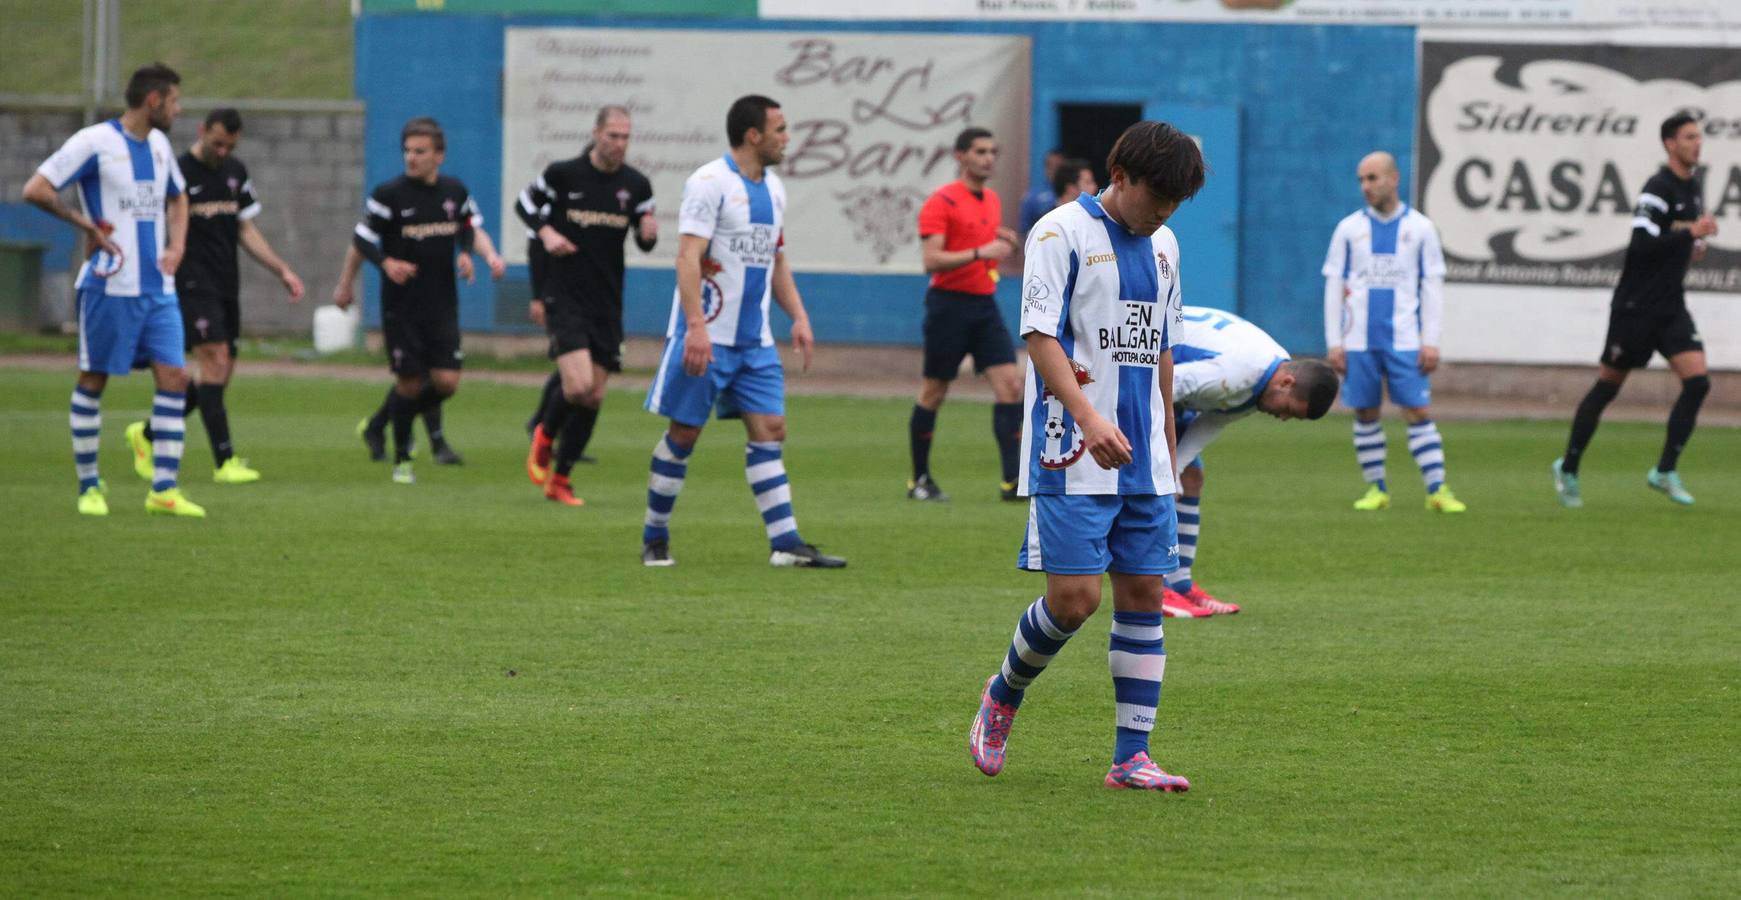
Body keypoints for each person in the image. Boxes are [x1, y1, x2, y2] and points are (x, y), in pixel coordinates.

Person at [968, 121, 1203, 791]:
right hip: (1070, 447)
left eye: (1175, 204)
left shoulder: (1164, 244)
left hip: (1143, 456)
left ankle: (1132, 757)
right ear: (1119, 175)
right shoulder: (1058, 231)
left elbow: (1160, 345)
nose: (1162, 213)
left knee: (1143, 594)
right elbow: (1039, 337)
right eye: (1156, 197)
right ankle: (1004, 693)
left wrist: (1165, 438)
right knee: (1073, 602)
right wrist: (1087, 415)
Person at [640, 94, 844, 569]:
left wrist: (798, 315)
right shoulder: (708, 183)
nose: (787, 138)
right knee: (685, 433)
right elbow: (687, 257)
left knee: (771, 429)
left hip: (755, 341)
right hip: (708, 336)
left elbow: (775, 258)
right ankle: (655, 535)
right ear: (754, 135)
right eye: (780, 129)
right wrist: (694, 328)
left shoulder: (773, 188)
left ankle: (786, 543)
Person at [23, 63, 205, 518]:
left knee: (175, 378)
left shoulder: (161, 145)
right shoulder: (94, 143)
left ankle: (163, 489)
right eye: (175, 101)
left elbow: (179, 197)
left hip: (157, 288)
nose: (178, 110)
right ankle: (89, 486)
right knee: (94, 379)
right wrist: (83, 223)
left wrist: (177, 245)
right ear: (153, 101)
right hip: (110, 285)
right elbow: (37, 188)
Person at [1554, 113, 1717, 508]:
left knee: (1698, 383)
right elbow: (1642, 245)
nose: (1698, 143)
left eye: (1699, 136)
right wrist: (1688, 234)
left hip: (1670, 307)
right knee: (1608, 387)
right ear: (1669, 144)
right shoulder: (1656, 189)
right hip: (1635, 307)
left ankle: (1664, 471)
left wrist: (1692, 246)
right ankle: (1569, 467)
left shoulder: (1692, 187)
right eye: (1689, 137)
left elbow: (1672, 244)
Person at [135, 108, 304, 486]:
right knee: (214, 360)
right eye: (217, 143)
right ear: (201, 131)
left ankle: (146, 434)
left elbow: (245, 228)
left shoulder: (235, 172)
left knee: (219, 375)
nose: (223, 151)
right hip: (191, 283)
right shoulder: (176, 172)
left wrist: (282, 269)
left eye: (230, 145)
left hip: (226, 283)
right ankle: (225, 462)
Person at [335, 117, 505, 484]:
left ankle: (382, 422)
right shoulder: (389, 194)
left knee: (446, 382)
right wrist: (385, 263)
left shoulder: (454, 191)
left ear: (439, 155)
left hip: (442, 303)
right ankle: (402, 463)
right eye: (407, 151)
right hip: (402, 306)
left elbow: (468, 230)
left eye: (420, 151)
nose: (411, 158)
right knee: (410, 383)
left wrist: (485, 256)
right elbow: (362, 239)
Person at [518, 106, 656, 505]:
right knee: (577, 386)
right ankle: (544, 432)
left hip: (607, 299)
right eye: (612, 135)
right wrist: (545, 232)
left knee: (594, 396)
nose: (619, 143)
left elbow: (644, 239)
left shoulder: (637, 185)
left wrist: (648, 233)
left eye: (625, 136)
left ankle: (561, 479)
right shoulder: (564, 174)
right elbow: (523, 204)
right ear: (595, 133)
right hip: (565, 294)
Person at [1164, 306, 1340, 617]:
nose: (1283, 418)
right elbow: (1161, 388)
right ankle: (1154, 589)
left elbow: (1215, 419)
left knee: (1189, 476)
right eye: (1289, 409)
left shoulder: (1266, 380)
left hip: (1173, 391)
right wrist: (1165, 471)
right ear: (1286, 383)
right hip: (1149, 376)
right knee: (1156, 482)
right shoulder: (1236, 374)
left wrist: (1175, 468)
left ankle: (1180, 585)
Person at [1322, 151, 1465, 513]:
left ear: (1393, 179)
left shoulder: (1420, 228)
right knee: (1366, 413)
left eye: (1372, 178)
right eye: (1361, 179)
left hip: (1404, 339)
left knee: (1417, 410)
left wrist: (1431, 340)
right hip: (1358, 341)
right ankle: (1377, 489)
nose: (1365, 186)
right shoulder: (1349, 229)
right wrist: (1334, 342)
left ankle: (1437, 489)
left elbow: (1432, 287)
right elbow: (1333, 285)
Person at [908, 127, 1023, 503]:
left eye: (992, 151)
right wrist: (981, 252)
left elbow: (978, 238)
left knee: (1012, 386)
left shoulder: (990, 199)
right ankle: (920, 479)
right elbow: (932, 260)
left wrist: (999, 239)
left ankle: (1013, 482)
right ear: (960, 156)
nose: (988, 158)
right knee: (934, 391)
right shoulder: (941, 202)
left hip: (983, 304)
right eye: (979, 151)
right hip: (948, 304)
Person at [1018, 148, 1064, 235]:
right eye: (1050, 165)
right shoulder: (1032, 195)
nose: (1054, 169)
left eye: (1058, 166)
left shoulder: (1072, 191)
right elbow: (1024, 228)